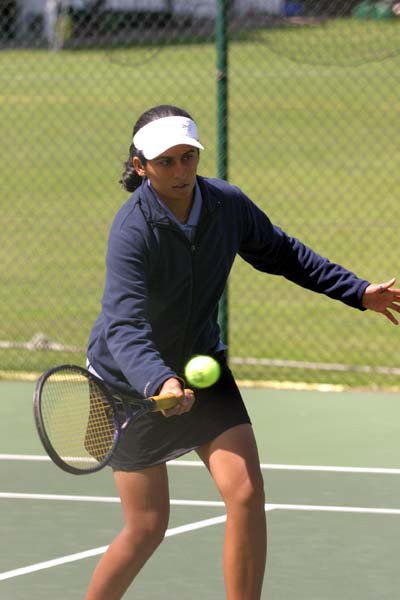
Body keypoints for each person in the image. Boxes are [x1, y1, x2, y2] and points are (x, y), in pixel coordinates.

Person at [85, 104, 400, 600]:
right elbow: (125, 326)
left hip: (200, 368)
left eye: (188, 157)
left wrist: (356, 291)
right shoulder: (132, 231)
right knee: (146, 526)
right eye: (166, 161)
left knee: (246, 493)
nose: (180, 170)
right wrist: (158, 380)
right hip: (130, 386)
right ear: (141, 165)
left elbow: (282, 252)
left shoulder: (225, 205)